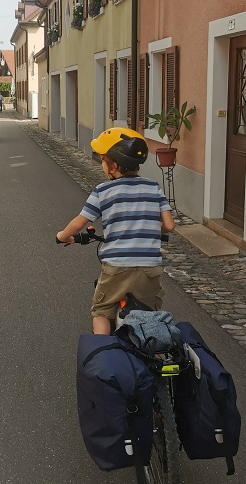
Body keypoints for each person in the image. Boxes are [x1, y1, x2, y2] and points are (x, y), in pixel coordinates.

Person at [56, 128, 175, 336]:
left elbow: (79, 222)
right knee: (149, 316)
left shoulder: (103, 191)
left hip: (117, 267)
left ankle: (102, 351)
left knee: (102, 312)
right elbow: (169, 226)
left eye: (103, 159)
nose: (102, 163)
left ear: (115, 165)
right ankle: (154, 350)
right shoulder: (154, 187)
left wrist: (62, 236)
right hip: (149, 268)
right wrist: (151, 228)